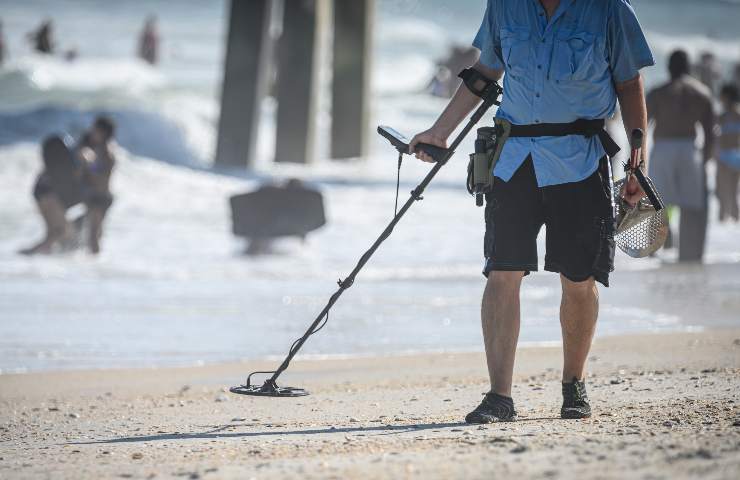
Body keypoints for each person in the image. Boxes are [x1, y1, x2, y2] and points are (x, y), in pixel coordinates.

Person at [409, 0, 653, 423]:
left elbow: (629, 85)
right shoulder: (505, 5)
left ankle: (573, 385)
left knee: (578, 278)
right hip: (513, 158)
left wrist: (638, 162)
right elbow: (485, 74)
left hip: (579, 159)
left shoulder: (609, 10)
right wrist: (440, 131)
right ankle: (499, 396)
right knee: (502, 270)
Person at [647, 50, 716, 262]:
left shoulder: (658, 92)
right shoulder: (702, 93)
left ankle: (654, 250)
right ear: (689, 67)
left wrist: (636, 160)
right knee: (691, 205)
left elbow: (641, 126)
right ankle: (689, 254)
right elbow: (710, 133)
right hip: (689, 149)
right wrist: (704, 161)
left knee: (657, 202)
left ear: (668, 67)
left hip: (662, 149)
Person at [19, 136, 80, 255]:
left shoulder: (49, 171)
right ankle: (32, 255)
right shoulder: (61, 170)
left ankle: (34, 256)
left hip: (42, 194)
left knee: (57, 233)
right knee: (60, 232)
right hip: (46, 195)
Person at [79, 116, 117, 254]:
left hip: (99, 198)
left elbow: (100, 175)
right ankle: (97, 266)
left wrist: (89, 163)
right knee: (96, 233)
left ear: (102, 133)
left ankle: (95, 269)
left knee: (93, 236)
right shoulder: (98, 148)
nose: (91, 131)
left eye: (94, 129)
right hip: (100, 196)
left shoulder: (106, 152)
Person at [716, 83, 740, 222]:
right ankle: (735, 222)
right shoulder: (736, 115)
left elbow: (716, 136)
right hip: (736, 155)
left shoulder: (723, 116)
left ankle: (722, 221)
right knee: (733, 191)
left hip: (725, 156)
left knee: (722, 191)